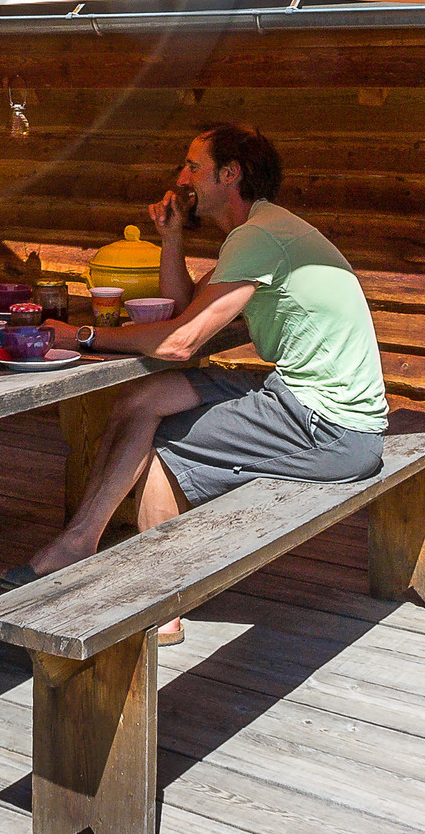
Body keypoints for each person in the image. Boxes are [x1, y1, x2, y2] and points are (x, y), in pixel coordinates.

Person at [22, 123, 387, 640]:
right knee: (143, 400)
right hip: (303, 400)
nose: (182, 177)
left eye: (193, 166)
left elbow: (178, 342)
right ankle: (79, 543)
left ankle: (158, 604)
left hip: (331, 428)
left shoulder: (258, 235)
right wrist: (171, 237)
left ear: (230, 173)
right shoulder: (262, 231)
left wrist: (82, 335)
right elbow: (186, 310)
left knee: (155, 438)